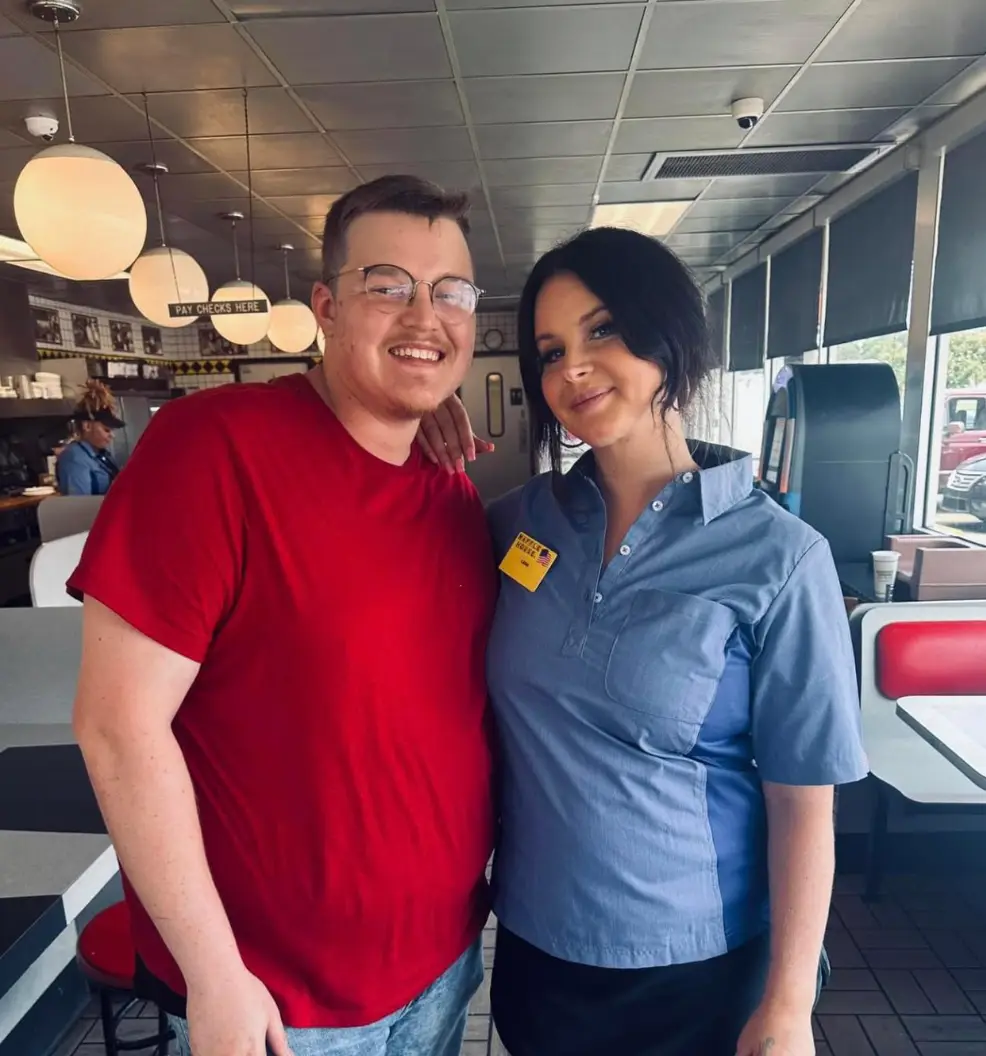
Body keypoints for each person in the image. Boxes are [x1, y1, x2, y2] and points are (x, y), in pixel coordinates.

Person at [69, 175, 496, 1056]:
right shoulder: (214, 449)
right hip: (277, 1003)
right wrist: (215, 973)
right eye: (388, 285)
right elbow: (116, 728)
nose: (425, 316)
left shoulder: (450, 487)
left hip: (443, 967)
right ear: (328, 306)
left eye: (448, 292)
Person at [419, 226, 868, 1056]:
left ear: (671, 338)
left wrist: (789, 1002)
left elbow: (803, 799)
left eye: (602, 331)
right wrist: (414, 419)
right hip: (536, 953)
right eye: (550, 352)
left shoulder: (777, 556)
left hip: (696, 971)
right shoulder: (517, 523)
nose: (573, 368)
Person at [55, 380, 124, 495]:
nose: (112, 435)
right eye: (106, 430)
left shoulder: (102, 455)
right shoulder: (74, 458)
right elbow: (79, 505)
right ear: (86, 426)